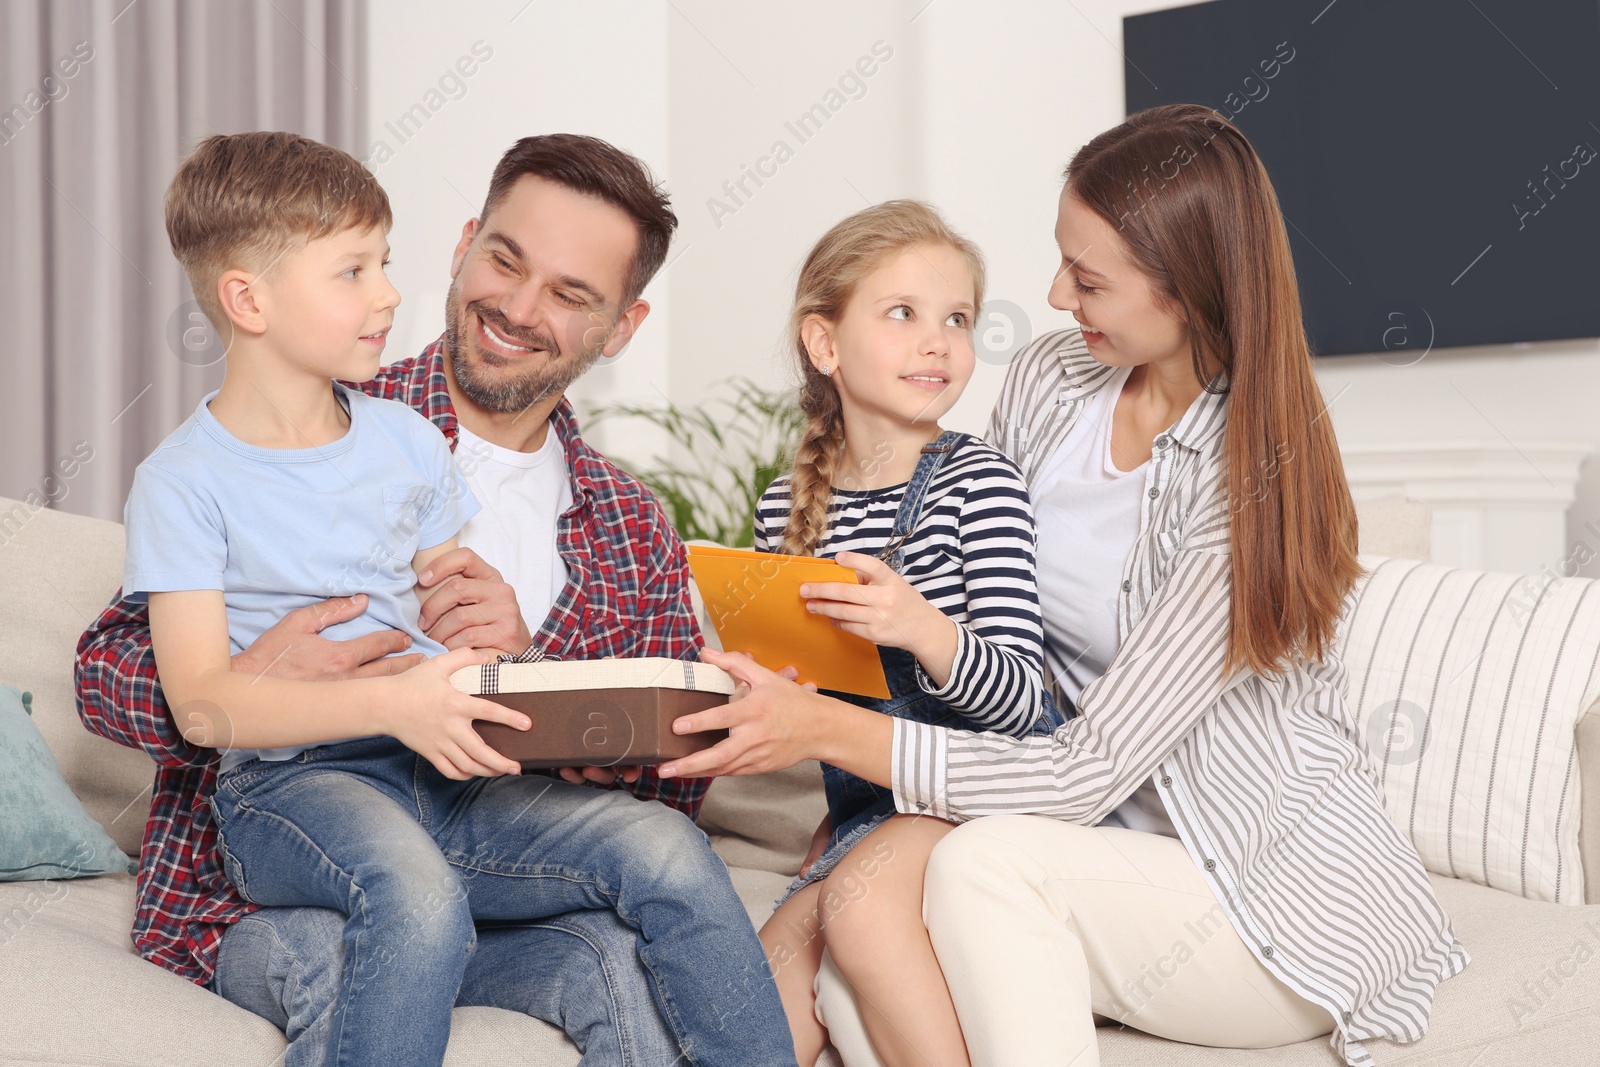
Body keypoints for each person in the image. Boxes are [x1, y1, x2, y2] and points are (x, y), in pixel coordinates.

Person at [660, 104, 1467, 1067]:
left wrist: (839, 736)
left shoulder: (1248, 479)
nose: (1050, 295)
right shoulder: (1056, 376)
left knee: (975, 867)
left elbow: (1082, 767)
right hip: (1059, 826)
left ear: (1187, 289)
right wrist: (857, 775)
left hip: (1253, 887)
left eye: (1086, 279)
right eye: (1060, 261)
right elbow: (959, 573)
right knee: (844, 960)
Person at [78, 131, 798, 1067]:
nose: (518, 305)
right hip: (279, 858)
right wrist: (270, 677)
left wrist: (527, 674)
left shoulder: (629, 526)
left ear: (620, 327)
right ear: (464, 244)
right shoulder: (328, 409)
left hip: (483, 840)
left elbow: (678, 783)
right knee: (394, 910)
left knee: (630, 918)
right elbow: (109, 672)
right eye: (505, 258)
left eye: (571, 294)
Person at [751, 200, 1061, 1067]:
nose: (938, 341)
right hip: (867, 811)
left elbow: (1023, 704)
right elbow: (802, 704)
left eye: (956, 319)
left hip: (976, 794)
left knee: (860, 906)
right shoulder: (786, 506)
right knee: (759, 1004)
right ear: (825, 344)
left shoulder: (979, 482)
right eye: (903, 314)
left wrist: (920, 626)